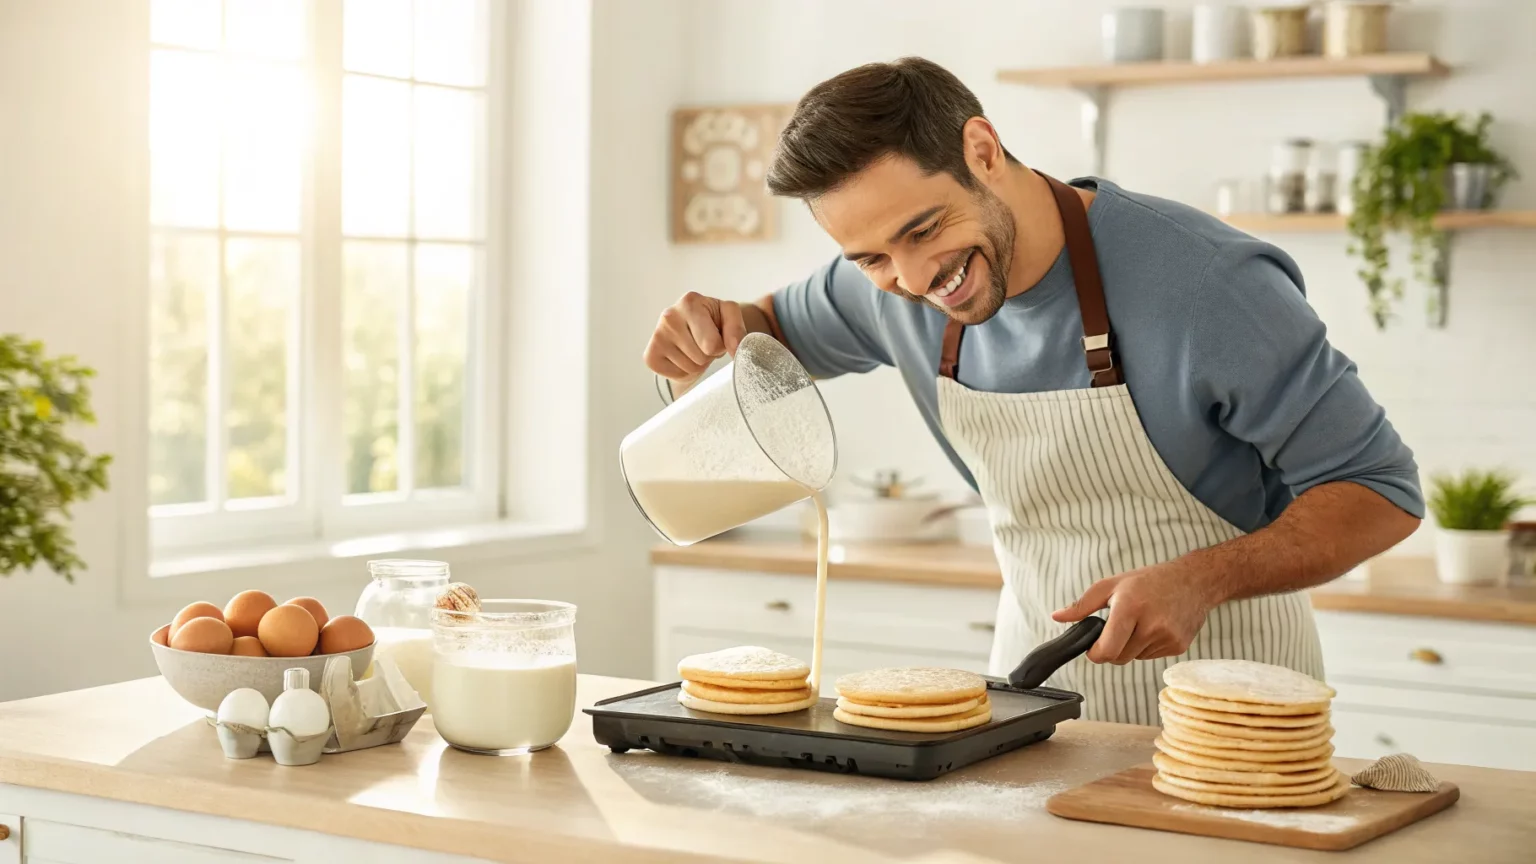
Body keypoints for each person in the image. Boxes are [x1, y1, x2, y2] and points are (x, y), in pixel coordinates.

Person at [642, 57, 1422, 724]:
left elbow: (1380, 490)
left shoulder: (1206, 283)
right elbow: (765, 331)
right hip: (1032, 707)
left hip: (1232, 703)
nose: (913, 281)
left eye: (922, 231)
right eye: (870, 258)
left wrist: (1201, 577)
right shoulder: (890, 293)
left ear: (981, 149)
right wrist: (711, 326)